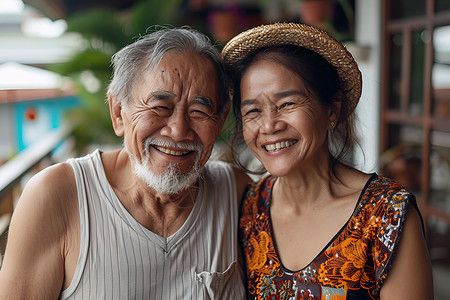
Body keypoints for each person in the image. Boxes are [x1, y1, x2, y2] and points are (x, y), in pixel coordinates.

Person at [0, 27, 250, 299]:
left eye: (200, 112)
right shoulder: (57, 195)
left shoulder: (236, 192)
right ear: (119, 112)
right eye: (160, 107)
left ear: (221, 120)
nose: (178, 130)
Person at [222, 23, 433, 299]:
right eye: (253, 111)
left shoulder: (384, 215)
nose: (269, 125)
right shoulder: (249, 209)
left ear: (331, 110)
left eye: (287, 104)